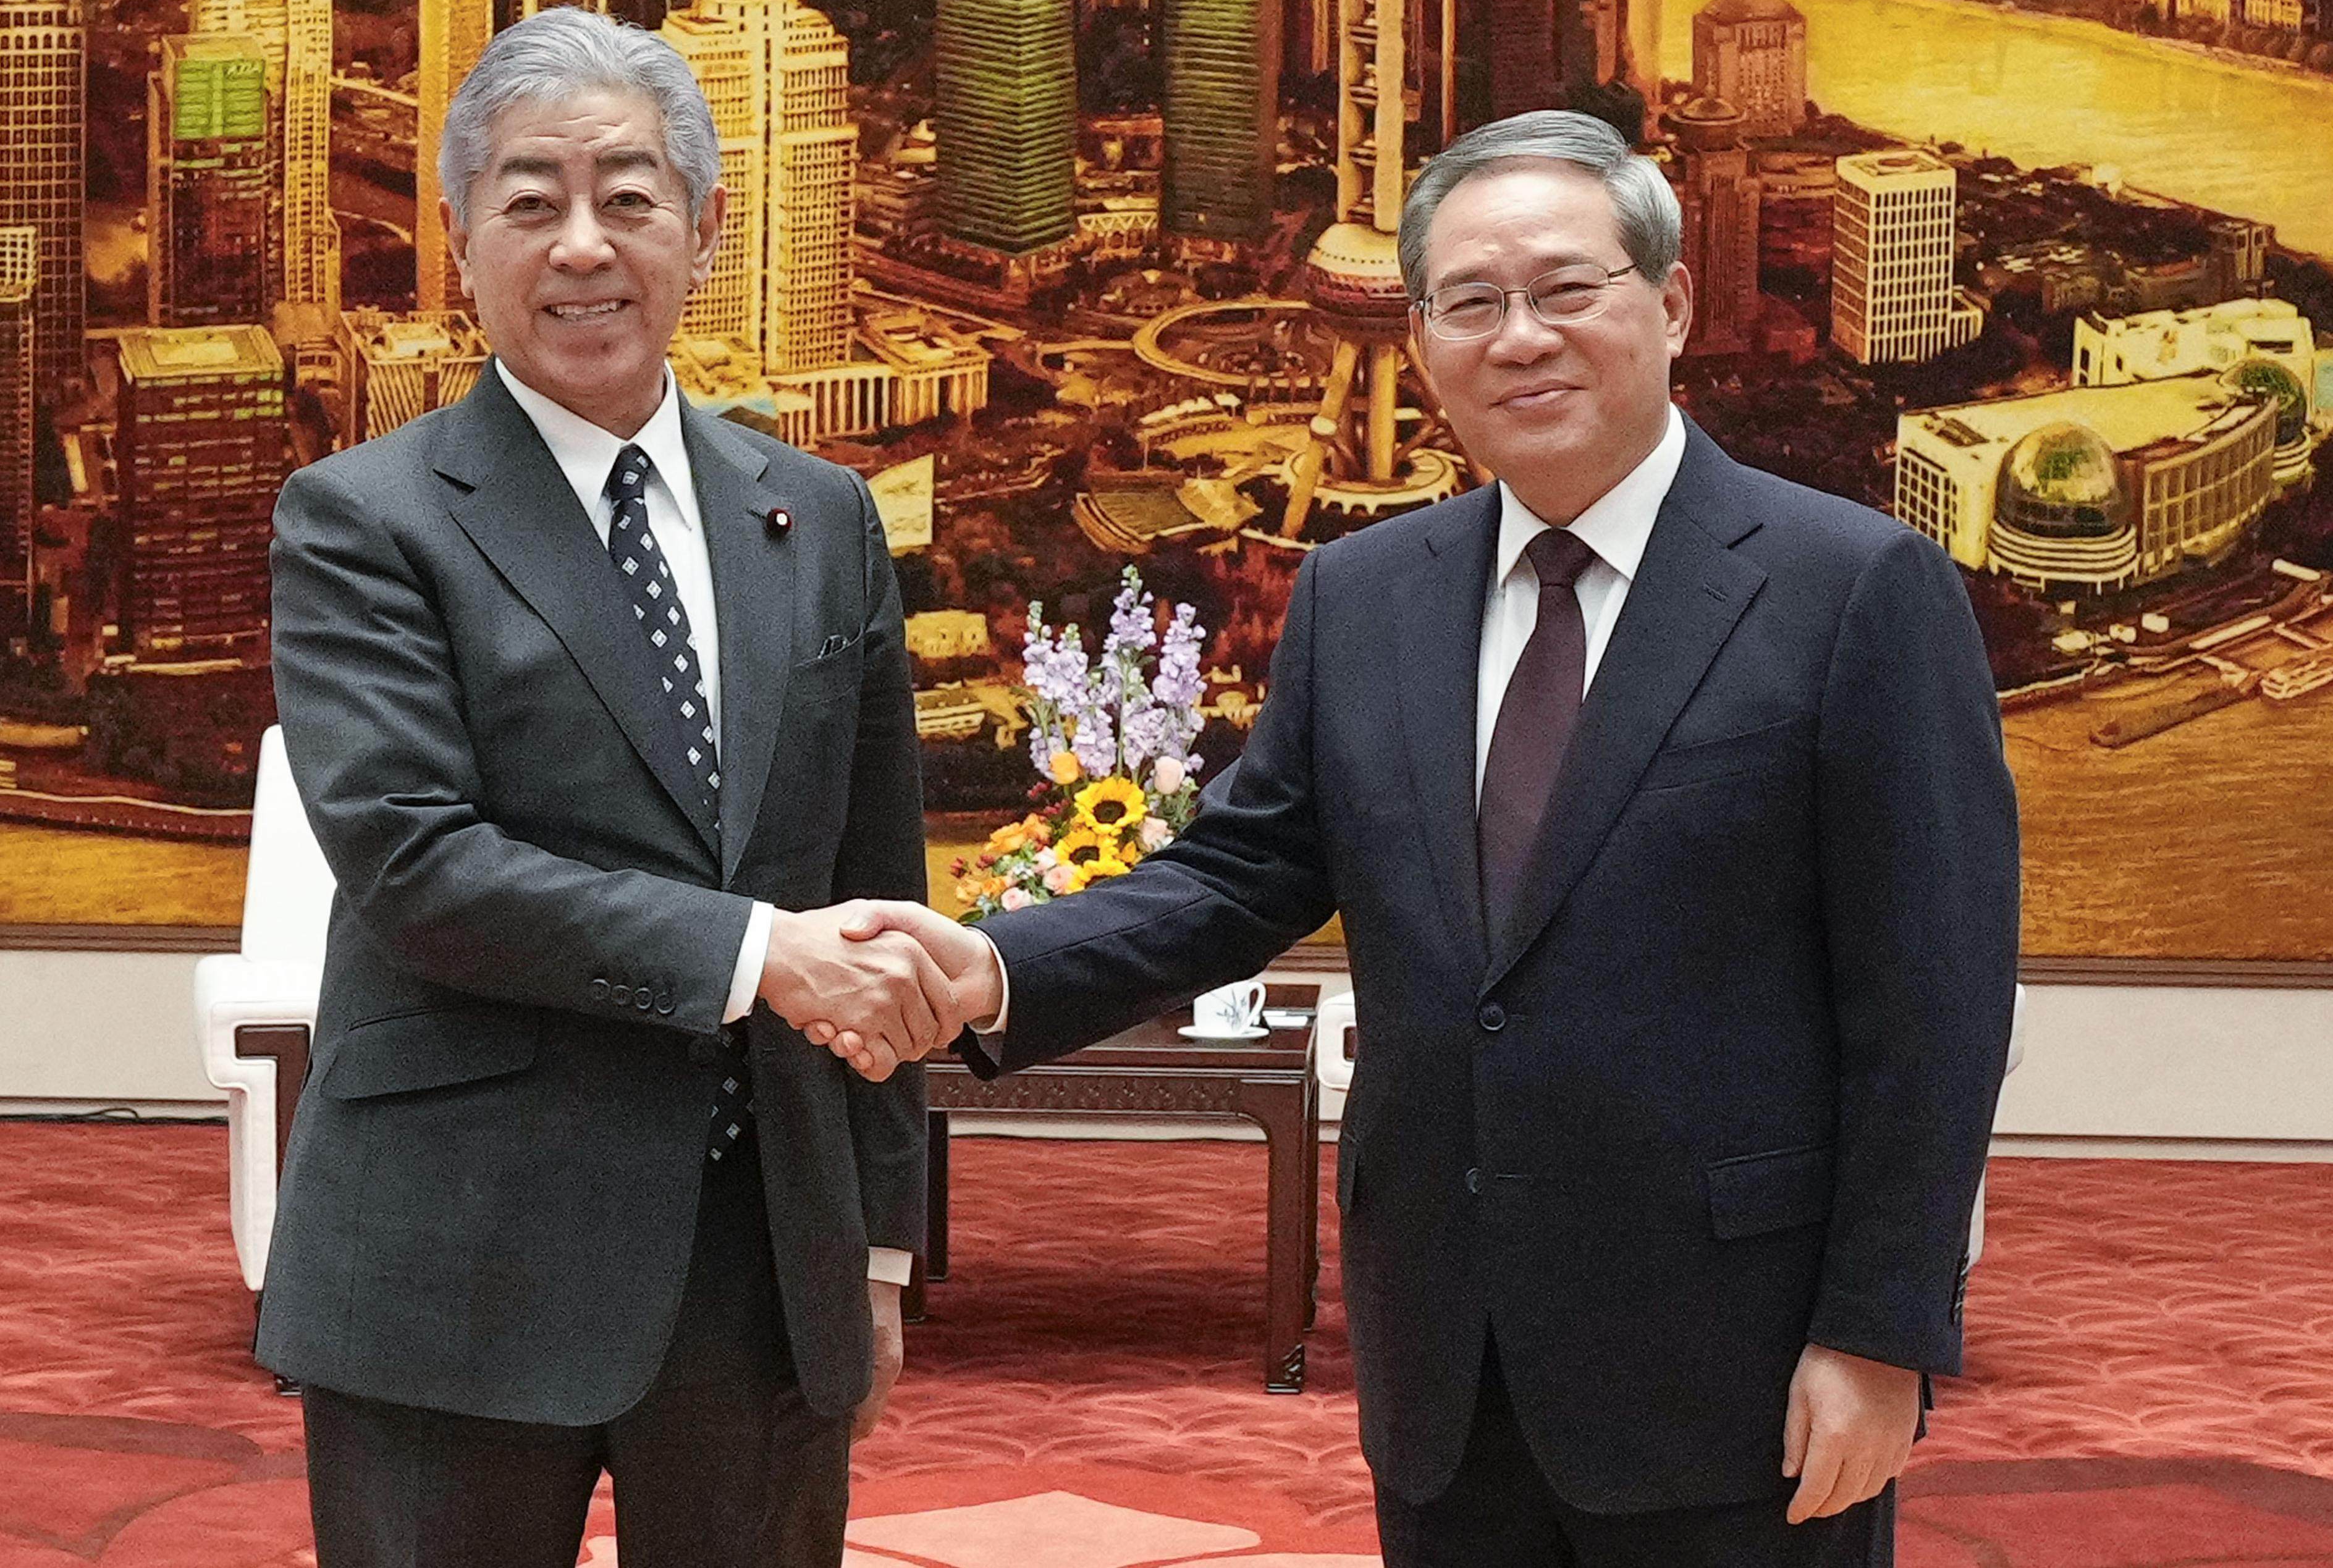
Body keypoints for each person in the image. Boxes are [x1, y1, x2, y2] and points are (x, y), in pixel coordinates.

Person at [827, 111, 2020, 1567]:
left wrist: (1880, 1331)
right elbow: (1237, 873)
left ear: (1672, 304)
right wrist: (988, 966)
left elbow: (1933, 1005)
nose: (1520, 336)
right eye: (1472, 302)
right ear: (1424, 340)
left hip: (1739, 1361)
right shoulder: (1366, 595)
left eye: (1565, 288)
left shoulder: (1853, 590)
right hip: (1447, 1356)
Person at [259, 6, 956, 1568]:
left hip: (759, 1257)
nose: (582, 245)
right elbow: (416, 864)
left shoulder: (821, 514)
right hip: (458, 1257)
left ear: (703, 229)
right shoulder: (364, 519)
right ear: (460, 239)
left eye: (627, 197)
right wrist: (754, 954)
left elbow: (878, 883)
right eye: (531, 201)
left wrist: (883, 1246)